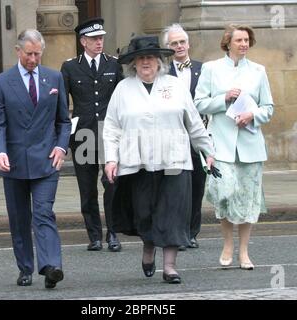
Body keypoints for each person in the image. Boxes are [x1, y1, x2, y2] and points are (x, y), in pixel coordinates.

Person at [103, 35, 215, 284]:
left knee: (172, 212)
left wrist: (208, 151)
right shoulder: (123, 89)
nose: (146, 62)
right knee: (144, 213)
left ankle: (170, 267)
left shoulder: (174, 85)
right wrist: (111, 160)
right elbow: (111, 128)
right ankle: (148, 247)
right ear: (133, 63)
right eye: (141, 58)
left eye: (150, 57)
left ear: (159, 61)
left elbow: (194, 122)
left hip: (175, 161)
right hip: (137, 163)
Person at [0, 29, 71, 289]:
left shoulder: (54, 77)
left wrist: (61, 148)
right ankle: (25, 267)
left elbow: (64, 122)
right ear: (18, 51)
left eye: (37, 54)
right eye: (29, 54)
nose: (33, 59)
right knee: (19, 217)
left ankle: (51, 266)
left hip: (46, 160)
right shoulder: (1, 82)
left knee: (43, 213)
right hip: (14, 161)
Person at [194, 24, 274, 270]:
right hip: (221, 145)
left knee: (248, 200)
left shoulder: (259, 71)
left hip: (250, 146)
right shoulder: (211, 69)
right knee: (225, 194)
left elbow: (268, 107)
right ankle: (227, 244)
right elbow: (198, 103)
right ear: (227, 43)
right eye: (239, 40)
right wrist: (224, 98)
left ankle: (244, 252)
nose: (243, 44)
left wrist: (252, 115)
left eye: (247, 40)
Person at [61, 17, 123, 252]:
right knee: (87, 189)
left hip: (109, 133)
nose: (100, 42)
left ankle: (113, 233)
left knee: (112, 184)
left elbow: (122, 99)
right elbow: (61, 103)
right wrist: (64, 135)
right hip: (84, 134)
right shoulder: (70, 67)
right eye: (95, 39)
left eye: (101, 38)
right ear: (83, 41)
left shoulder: (113, 64)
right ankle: (94, 235)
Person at [163, 23, 207, 250]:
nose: (179, 46)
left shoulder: (203, 69)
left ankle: (192, 232)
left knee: (197, 186)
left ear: (188, 44)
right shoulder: (163, 73)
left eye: (182, 42)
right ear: (168, 48)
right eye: (174, 43)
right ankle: (177, 233)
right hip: (172, 139)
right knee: (175, 188)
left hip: (197, 138)